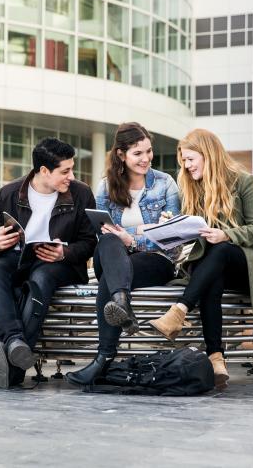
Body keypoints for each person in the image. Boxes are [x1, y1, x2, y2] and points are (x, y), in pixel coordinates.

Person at [146, 128, 253, 389]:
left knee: (221, 251)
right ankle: (216, 358)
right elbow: (195, 231)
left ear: (208, 154)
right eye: (184, 161)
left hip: (250, 264)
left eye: (191, 159)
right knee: (211, 271)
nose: (187, 166)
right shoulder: (193, 187)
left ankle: (179, 311)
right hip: (216, 266)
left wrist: (225, 235)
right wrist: (174, 225)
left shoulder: (245, 181)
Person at [65, 123, 180, 386]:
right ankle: (122, 304)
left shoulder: (165, 184)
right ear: (121, 155)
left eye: (148, 151)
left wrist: (133, 238)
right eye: (138, 153)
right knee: (107, 241)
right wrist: (140, 232)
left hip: (156, 262)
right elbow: (101, 233)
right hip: (115, 257)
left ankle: (103, 357)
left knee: (110, 278)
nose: (146, 158)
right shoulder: (106, 187)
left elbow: (172, 243)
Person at [0, 137, 97, 389]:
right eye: (65, 171)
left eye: (72, 169)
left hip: (61, 266)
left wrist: (64, 253)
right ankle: (14, 341)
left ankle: (6, 362)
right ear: (44, 171)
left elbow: (90, 241)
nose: (71, 176)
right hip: (18, 259)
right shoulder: (7, 194)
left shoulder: (81, 194)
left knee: (41, 279)